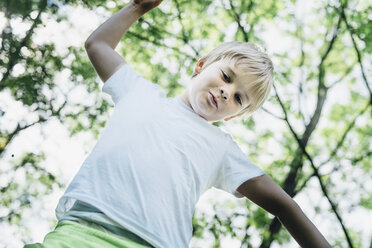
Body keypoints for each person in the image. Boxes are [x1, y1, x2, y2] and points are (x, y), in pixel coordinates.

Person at [24, 0, 332, 247]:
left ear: (234, 115)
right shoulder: (138, 92)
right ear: (201, 65)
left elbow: (284, 206)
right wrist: (138, 7)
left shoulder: (222, 149)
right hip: (78, 233)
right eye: (226, 77)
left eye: (239, 98)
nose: (227, 91)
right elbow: (98, 45)